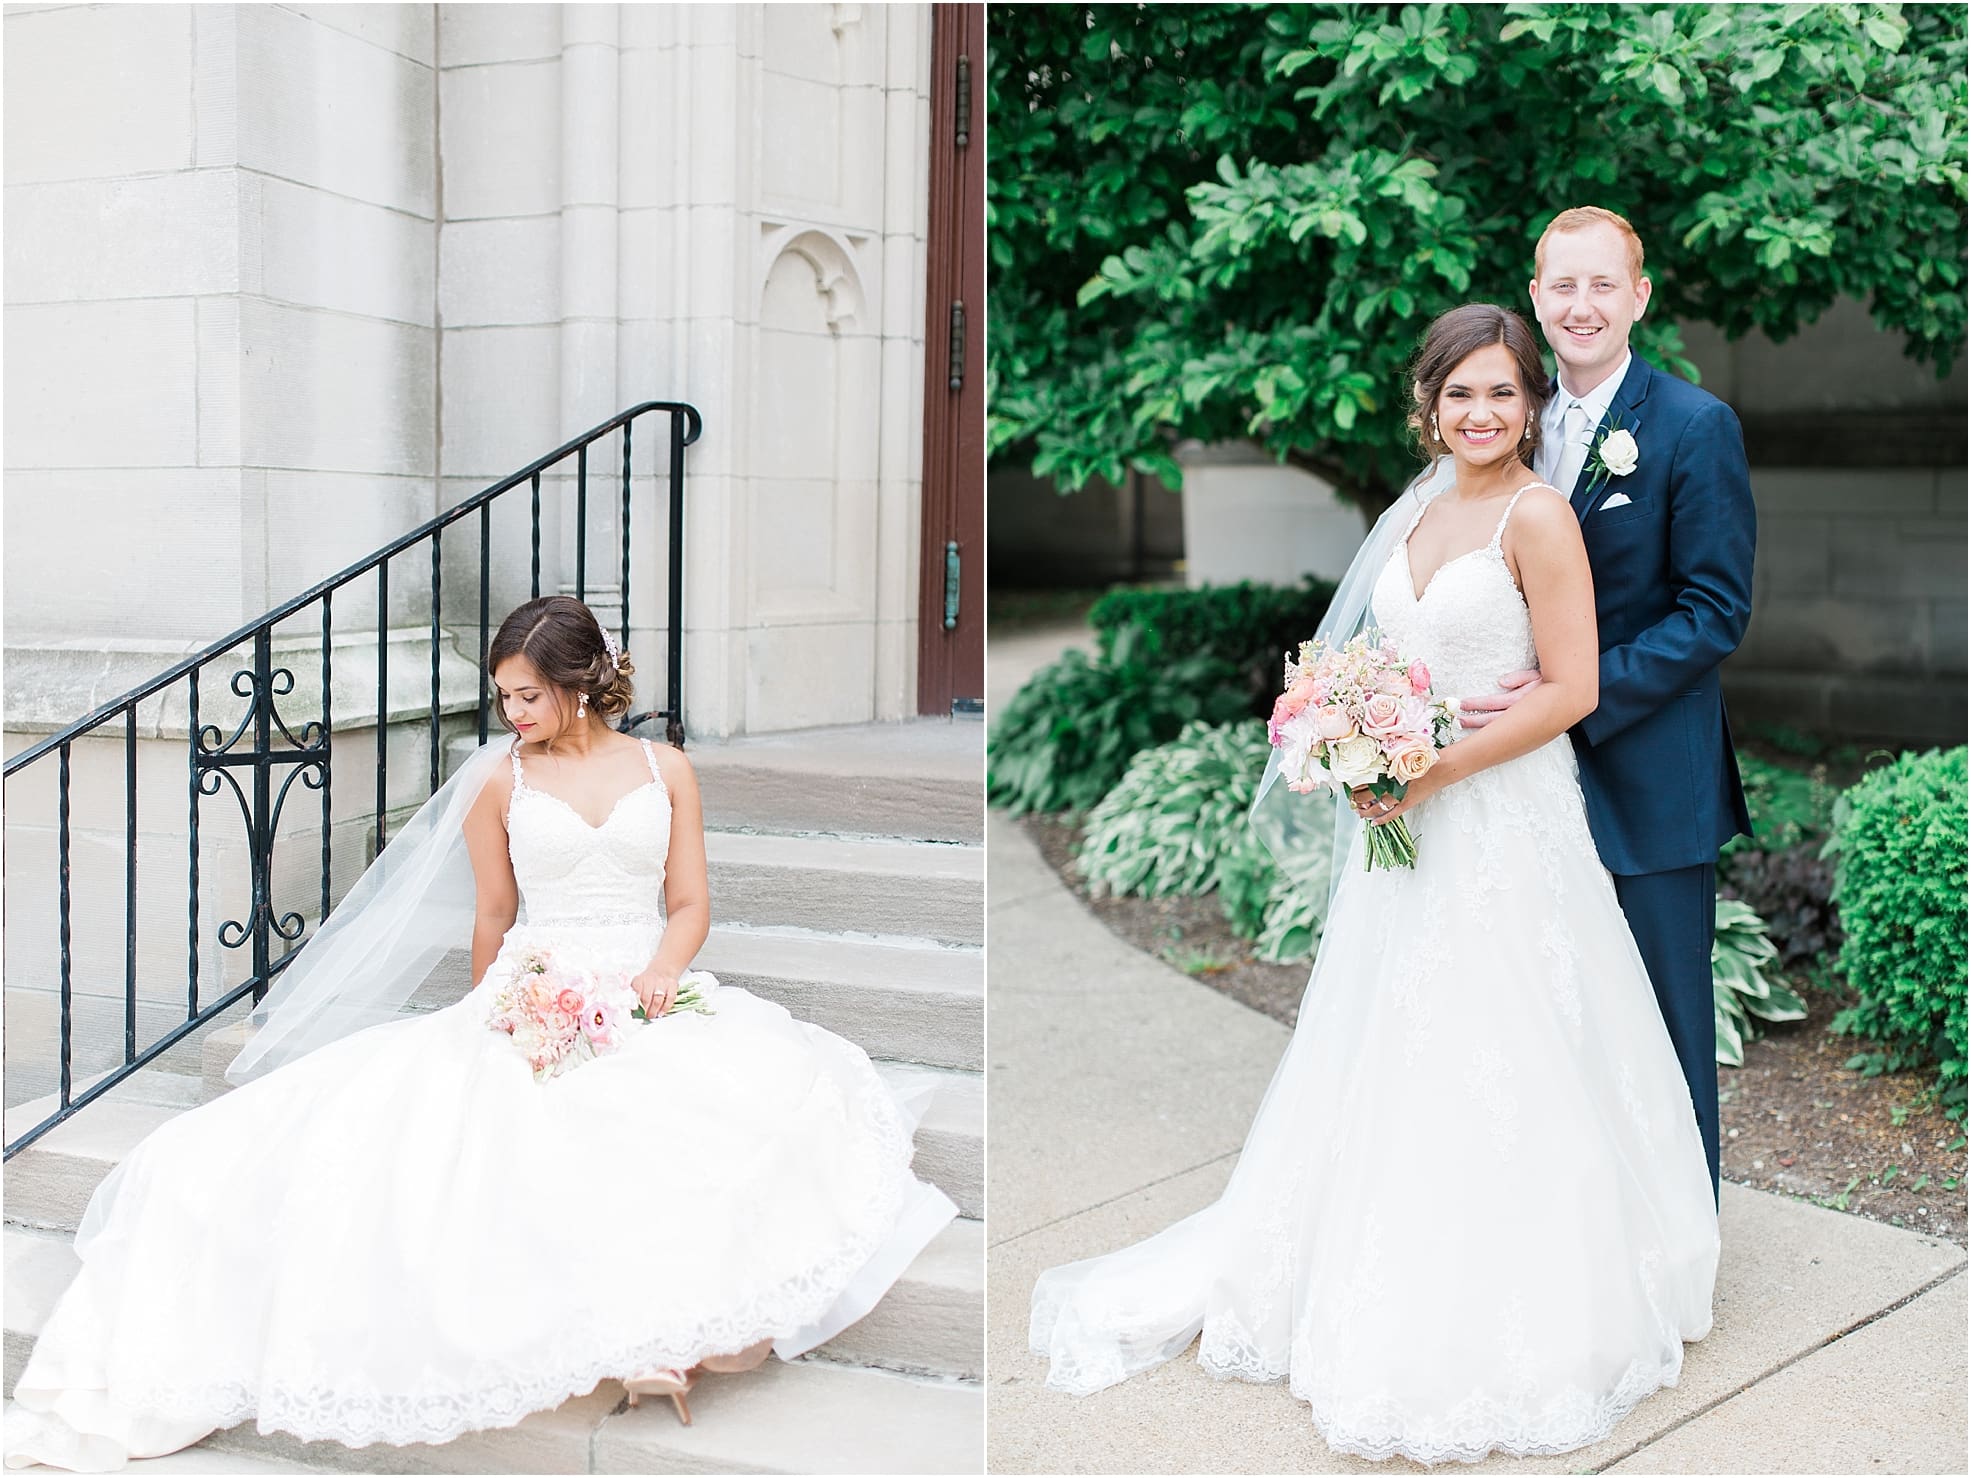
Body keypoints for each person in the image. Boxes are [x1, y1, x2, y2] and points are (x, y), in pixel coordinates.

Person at [7, 595, 957, 1472]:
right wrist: (493, 1011)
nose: (513, 712)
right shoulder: (498, 782)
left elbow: (689, 900)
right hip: (532, 989)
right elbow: (494, 916)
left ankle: (667, 1342)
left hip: (645, 986)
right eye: (504, 695)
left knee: (708, 1124)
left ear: (582, 683)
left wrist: (664, 969)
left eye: (528, 694)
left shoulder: (666, 770)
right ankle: (638, 1342)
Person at [1029, 304, 1720, 1465]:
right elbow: (1376, 663)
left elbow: (1572, 687)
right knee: (1395, 1038)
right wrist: (1352, 741)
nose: (1482, 413)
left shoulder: (1538, 516)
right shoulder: (1417, 511)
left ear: (1530, 404)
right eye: (1461, 393)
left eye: (1503, 392)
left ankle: (1527, 1293)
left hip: (1504, 818)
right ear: (1429, 404)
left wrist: (1434, 763)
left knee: (1513, 1036)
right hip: (1410, 828)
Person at [1461, 206, 1756, 1196]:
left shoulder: (1693, 426)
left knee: (1666, 1021)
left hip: (1651, 778)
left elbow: (1715, 611)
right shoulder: (1510, 422)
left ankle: (1685, 1240)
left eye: (1602, 285)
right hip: (1521, 782)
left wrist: (1571, 696)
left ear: (1640, 296)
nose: (1582, 305)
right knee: (1547, 1018)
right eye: (1562, 285)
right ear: (1536, 297)